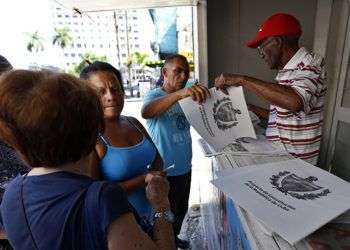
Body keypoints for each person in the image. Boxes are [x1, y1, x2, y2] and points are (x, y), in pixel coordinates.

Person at [0, 70, 175, 250]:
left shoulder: (13, 194)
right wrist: (161, 205)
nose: (110, 97)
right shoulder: (103, 199)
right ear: (92, 131)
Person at [215, 13, 326, 165]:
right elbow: (287, 117)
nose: (261, 53)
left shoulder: (310, 66)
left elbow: (295, 102)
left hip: (297, 166)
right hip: (279, 157)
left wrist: (242, 80)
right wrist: (252, 109)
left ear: (278, 42)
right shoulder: (289, 71)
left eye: (262, 46)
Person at [80, 61, 164, 225]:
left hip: (155, 213)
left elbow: (158, 159)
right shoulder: (91, 138)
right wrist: (144, 179)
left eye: (115, 89)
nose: (110, 97)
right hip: (123, 225)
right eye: (100, 92)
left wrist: (156, 183)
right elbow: (95, 194)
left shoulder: (133, 122)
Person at [142, 54, 210, 248]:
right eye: (177, 71)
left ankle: (175, 237)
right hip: (164, 172)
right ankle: (164, 242)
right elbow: (146, 111)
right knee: (164, 214)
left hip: (185, 168)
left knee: (180, 211)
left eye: (186, 72)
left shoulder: (187, 99)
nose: (182, 76)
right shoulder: (155, 95)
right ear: (165, 72)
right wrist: (180, 95)